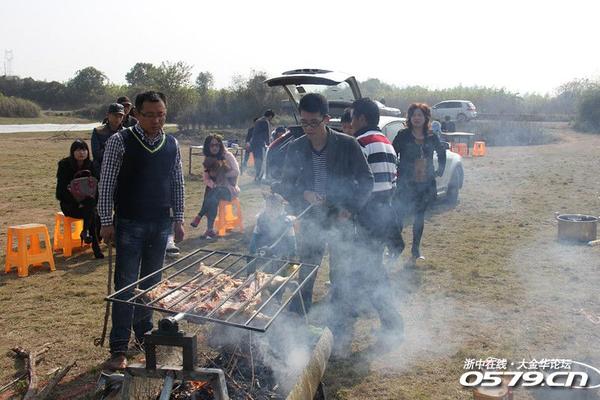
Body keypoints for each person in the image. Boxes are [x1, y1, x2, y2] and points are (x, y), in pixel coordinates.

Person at [277, 93, 373, 353]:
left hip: (340, 218)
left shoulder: (348, 144)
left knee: (340, 275)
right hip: (311, 218)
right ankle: (297, 326)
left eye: (313, 122)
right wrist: (303, 193)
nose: (308, 128)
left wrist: (349, 209)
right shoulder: (297, 147)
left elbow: (367, 181)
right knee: (306, 272)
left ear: (326, 119)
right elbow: (285, 184)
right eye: (304, 122)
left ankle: (338, 330)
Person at [98, 91, 185, 370]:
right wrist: (106, 220)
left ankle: (145, 336)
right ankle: (119, 348)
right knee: (125, 286)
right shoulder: (120, 141)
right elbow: (107, 182)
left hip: (160, 224)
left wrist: (179, 218)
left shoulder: (171, 144)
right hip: (129, 223)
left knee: (152, 285)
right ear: (136, 114)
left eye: (161, 115)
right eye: (150, 115)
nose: (156, 120)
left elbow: (177, 182)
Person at [349, 97, 404, 346]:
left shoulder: (359, 143)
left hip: (367, 216)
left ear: (361, 118)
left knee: (372, 272)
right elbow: (393, 182)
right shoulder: (387, 143)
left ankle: (393, 324)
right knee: (364, 268)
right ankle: (349, 311)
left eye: (352, 117)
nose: (350, 122)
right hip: (384, 214)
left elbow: (356, 184)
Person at [392, 103, 446, 267]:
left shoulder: (431, 136)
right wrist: (397, 169)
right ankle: (395, 247)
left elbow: (441, 152)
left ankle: (415, 249)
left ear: (426, 118)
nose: (416, 118)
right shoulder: (403, 135)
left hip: (425, 184)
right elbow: (392, 153)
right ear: (409, 118)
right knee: (399, 215)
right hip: (405, 183)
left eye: (420, 115)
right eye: (414, 115)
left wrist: (439, 170)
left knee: (419, 216)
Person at [56, 139, 103, 258]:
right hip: (70, 206)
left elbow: (97, 188)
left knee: (91, 208)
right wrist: (77, 201)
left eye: (84, 149)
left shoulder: (91, 165)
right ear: (72, 152)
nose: (81, 153)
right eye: (78, 150)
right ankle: (94, 244)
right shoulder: (64, 165)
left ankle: (86, 232)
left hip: (88, 205)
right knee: (91, 212)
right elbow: (60, 193)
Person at [189, 134, 240, 239]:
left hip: (229, 188)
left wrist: (222, 174)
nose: (215, 147)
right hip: (215, 190)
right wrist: (213, 185)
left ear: (220, 145)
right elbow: (206, 179)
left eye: (217, 145)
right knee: (212, 194)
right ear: (208, 147)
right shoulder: (208, 159)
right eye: (212, 145)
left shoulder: (227, 155)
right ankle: (210, 230)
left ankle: (201, 217)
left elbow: (236, 172)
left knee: (213, 194)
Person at [248, 192, 296, 259]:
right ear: (265, 208)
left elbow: (292, 241)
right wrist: (252, 253)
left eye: (275, 208)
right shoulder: (261, 220)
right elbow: (254, 239)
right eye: (269, 208)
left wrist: (292, 256)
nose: (271, 212)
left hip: (281, 249)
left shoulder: (287, 222)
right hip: (264, 247)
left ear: (280, 209)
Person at [91, 103, 125, 175]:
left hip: (121, 170)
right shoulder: (98, 131)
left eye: (120, 116)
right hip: (101, 170)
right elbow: (96, 153)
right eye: (115, 115)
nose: (118, 118)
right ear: (108, 115)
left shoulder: (126, 132)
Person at [250, 109, 275, 182]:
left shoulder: (258, 121)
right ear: (270, 116)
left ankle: (257, 176)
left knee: (257, 160)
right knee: (261, 161)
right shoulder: (265, 121)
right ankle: (259, 177)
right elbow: (267, 134)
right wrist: (269, 144)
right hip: (260, 144)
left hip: (254, 143)